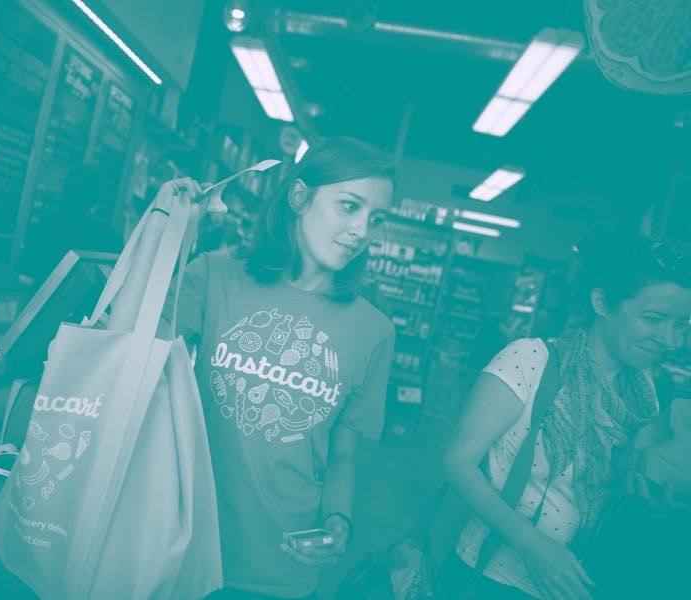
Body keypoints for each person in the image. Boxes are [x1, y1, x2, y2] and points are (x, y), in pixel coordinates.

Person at [113, 137, 397, 599]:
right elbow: (125, 341)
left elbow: (344, 454)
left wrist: (337, 521)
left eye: (375, 219)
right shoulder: (217, 276)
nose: (361, 230)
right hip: (177, 543)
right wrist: (162, 232)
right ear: (300, 198)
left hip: (277, 568)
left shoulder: (373, 332)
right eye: (349, 206)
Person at [439, 229, 691, 600]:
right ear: (602, 302)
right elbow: (457, 462)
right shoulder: (531, 361)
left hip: (580, 584)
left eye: (682, 325)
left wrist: (650, 506)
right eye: (654, 318)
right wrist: (531, 544)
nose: (670, 340)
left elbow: (608, 492)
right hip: (494, 578)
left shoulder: (642, 394)